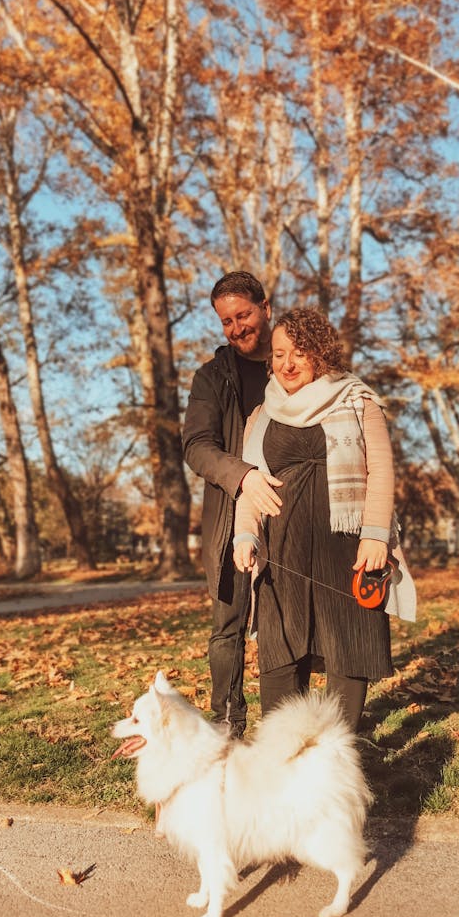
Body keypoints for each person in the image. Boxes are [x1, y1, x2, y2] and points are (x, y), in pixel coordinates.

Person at [233, 307, 416, 732]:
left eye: (299, 353)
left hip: (347, 545)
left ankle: (339, 749)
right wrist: (245, 535)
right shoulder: (261, 418)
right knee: (281, 647)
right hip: (283, 546)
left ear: (321, 354)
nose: (287, 364)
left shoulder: (357, 400)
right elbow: (252, 485)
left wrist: (375, 536)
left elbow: (382, 471)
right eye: (279, 355)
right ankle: (282, 753)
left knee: (348, 645)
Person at [182, 271, 284, 738]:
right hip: (229, 515)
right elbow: (196, 446)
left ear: (266, 306)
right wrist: (240, 476)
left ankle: (283, 727)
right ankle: (227, 723)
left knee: (286, 623)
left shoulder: (292, 362)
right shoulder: (211, 376)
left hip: (290, 512)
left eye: (242, 315)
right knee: (228, 626)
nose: (236, 328)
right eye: (226, 321)